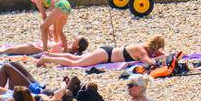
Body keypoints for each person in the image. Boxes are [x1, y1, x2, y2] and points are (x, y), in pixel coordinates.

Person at [36, 36, 165, 69]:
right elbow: (149, 63)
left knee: (74, 59)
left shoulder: (143, 46)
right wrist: (161, 61)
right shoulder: (142, 51)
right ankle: (46, 59)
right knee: (76, 63)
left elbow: (156, 54)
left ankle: (49, 55)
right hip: (106, 55)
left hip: (106, 52)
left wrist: (163, 54)